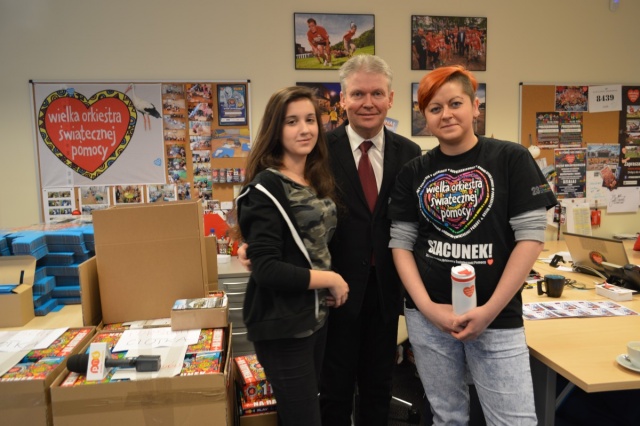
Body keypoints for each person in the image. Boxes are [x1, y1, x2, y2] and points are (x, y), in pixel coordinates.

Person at [387, 66, 558, 425]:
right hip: (429, 318)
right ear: (425, 117)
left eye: (455, 103)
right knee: (447, 416)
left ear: (475, 107)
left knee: (514, 420)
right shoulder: (413, 171)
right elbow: (400, 244)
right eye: (435, 108)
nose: (446, 114)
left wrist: (489, 311)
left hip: (496, 315)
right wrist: (428, 309)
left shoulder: (511, 159)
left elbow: (531, 238)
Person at [234, 86, 350, 426]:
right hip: (284, 325)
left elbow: (310, 246)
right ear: (276, 129)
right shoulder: (266, 188)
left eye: (310, 120)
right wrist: (331, 279)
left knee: (301, 412)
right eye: (292, 122)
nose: (305, 129)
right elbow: (267, 269)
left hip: (314, 317)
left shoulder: (313, 177)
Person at [319, 55, 421, 426]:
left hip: (386, 291)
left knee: (379, 388)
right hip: (335, 290)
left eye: (377, 93)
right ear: (343, 99)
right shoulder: (319, 150)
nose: (368, 102)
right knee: (334, 390)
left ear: (390, 98)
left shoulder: (409, 154)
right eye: (358, 94)